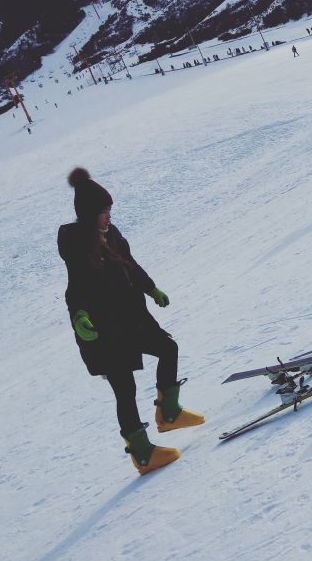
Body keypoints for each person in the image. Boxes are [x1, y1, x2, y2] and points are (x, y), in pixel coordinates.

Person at [57, 168, 204, 475]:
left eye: (109, 210)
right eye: (103, 212)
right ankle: (142, 454)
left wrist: (150, 288)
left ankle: (170, 413)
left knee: (167, 347)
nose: (108, 216)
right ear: (88, 214)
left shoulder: (112, 234)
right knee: (124, 389)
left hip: (131, 321)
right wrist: (79, 316)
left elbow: (131, 266)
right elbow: (76, 288)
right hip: (104, 333)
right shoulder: (77, 245)